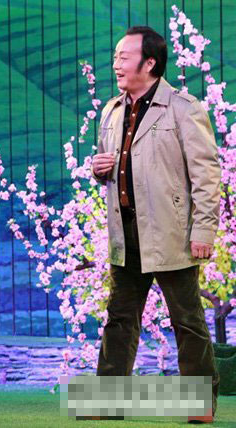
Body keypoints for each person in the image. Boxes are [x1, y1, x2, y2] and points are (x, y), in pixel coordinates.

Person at [92, 26, 220, 423]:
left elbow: (206, 175)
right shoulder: (111, 110)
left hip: (170, 232)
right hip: (126, 233)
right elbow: (110, 164)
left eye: (124, 57)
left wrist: (203, 231)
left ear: (149, 63)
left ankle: (200, 405)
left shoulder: (183, 108)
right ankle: (105, 402)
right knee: (119, 319)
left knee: (187, 319)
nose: (116, 64)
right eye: (115, 56)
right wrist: (98, 169)